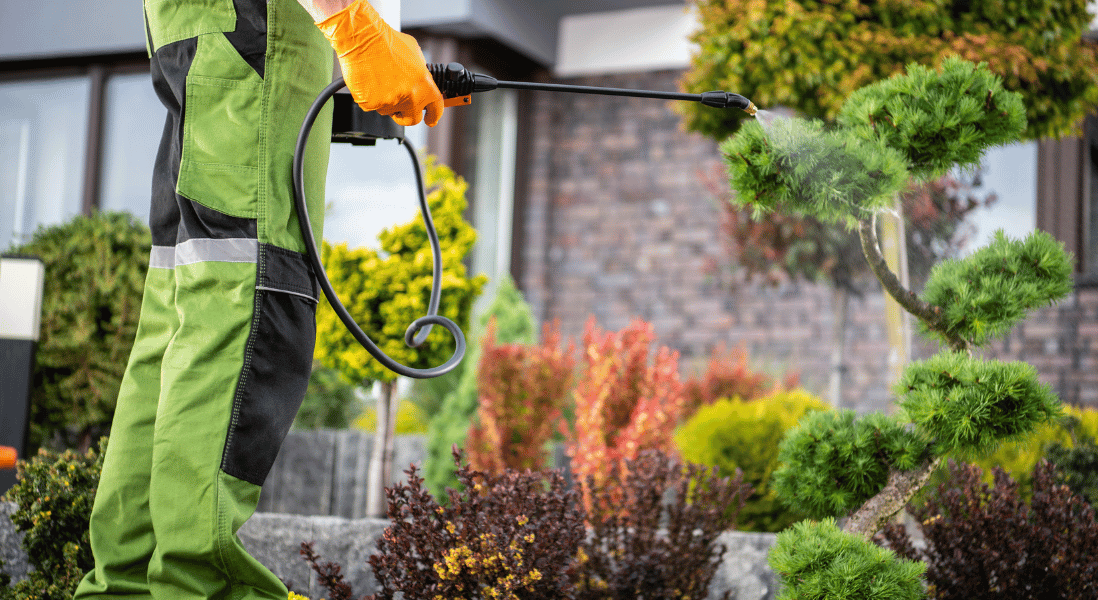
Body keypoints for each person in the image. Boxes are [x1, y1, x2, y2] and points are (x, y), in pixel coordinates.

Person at [73, 1, 442, 598]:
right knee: (246, 292)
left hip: (204, 27)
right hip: (261, 24)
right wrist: (352, 23)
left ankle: (126, 584)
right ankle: (197, 587)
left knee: (188, 305)